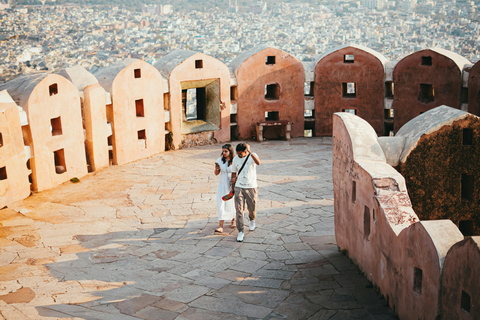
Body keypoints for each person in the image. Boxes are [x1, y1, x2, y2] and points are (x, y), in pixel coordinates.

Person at [231, 143, 261, 242]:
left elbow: (258, 163)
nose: (238, 155)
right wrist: (233, 188)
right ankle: (240, 231)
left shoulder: (253, 156)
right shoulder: (235, 159)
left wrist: (250, 152)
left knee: (252, 207)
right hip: (239, 186)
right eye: (237, 153)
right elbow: (233, 173)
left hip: (251, 186)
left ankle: (252, 219)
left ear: (246, 151)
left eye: (240, 154)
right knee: (239, 210)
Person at [214, 144, 235, 233]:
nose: (224, 153)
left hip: (231, 183)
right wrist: (217, 169)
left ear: (230, 151)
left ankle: (233, 220)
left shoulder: (235, 161)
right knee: (221, 202)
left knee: (232, 202)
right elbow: (216, 173)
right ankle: (220, 225)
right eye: (223, 151)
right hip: (222, 184)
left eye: (226, 151)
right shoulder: (220, 160)